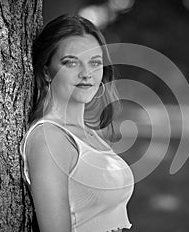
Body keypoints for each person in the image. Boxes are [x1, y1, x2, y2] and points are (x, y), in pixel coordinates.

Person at [20, 14, 134, 232]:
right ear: (46, 71)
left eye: (95, 63)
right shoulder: (49, 139)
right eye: (71, 62)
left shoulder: (88, 133)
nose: (86, 74)